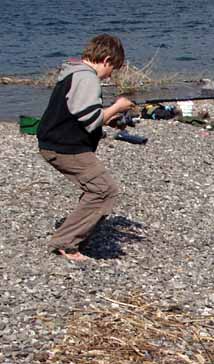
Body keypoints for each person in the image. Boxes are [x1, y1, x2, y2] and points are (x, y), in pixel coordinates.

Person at [37, 34, 134, 261]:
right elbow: (91, 120)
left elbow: (80, 114)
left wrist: (109, 117)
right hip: (65, 147)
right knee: (104, 190)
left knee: (97, 189)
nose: (111, 75)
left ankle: (75, 237)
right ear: (107, 60)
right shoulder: (86, 78)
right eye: (113, 69)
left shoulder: (74, 72)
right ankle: (66, 243)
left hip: (57, 143)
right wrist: (118, 106)